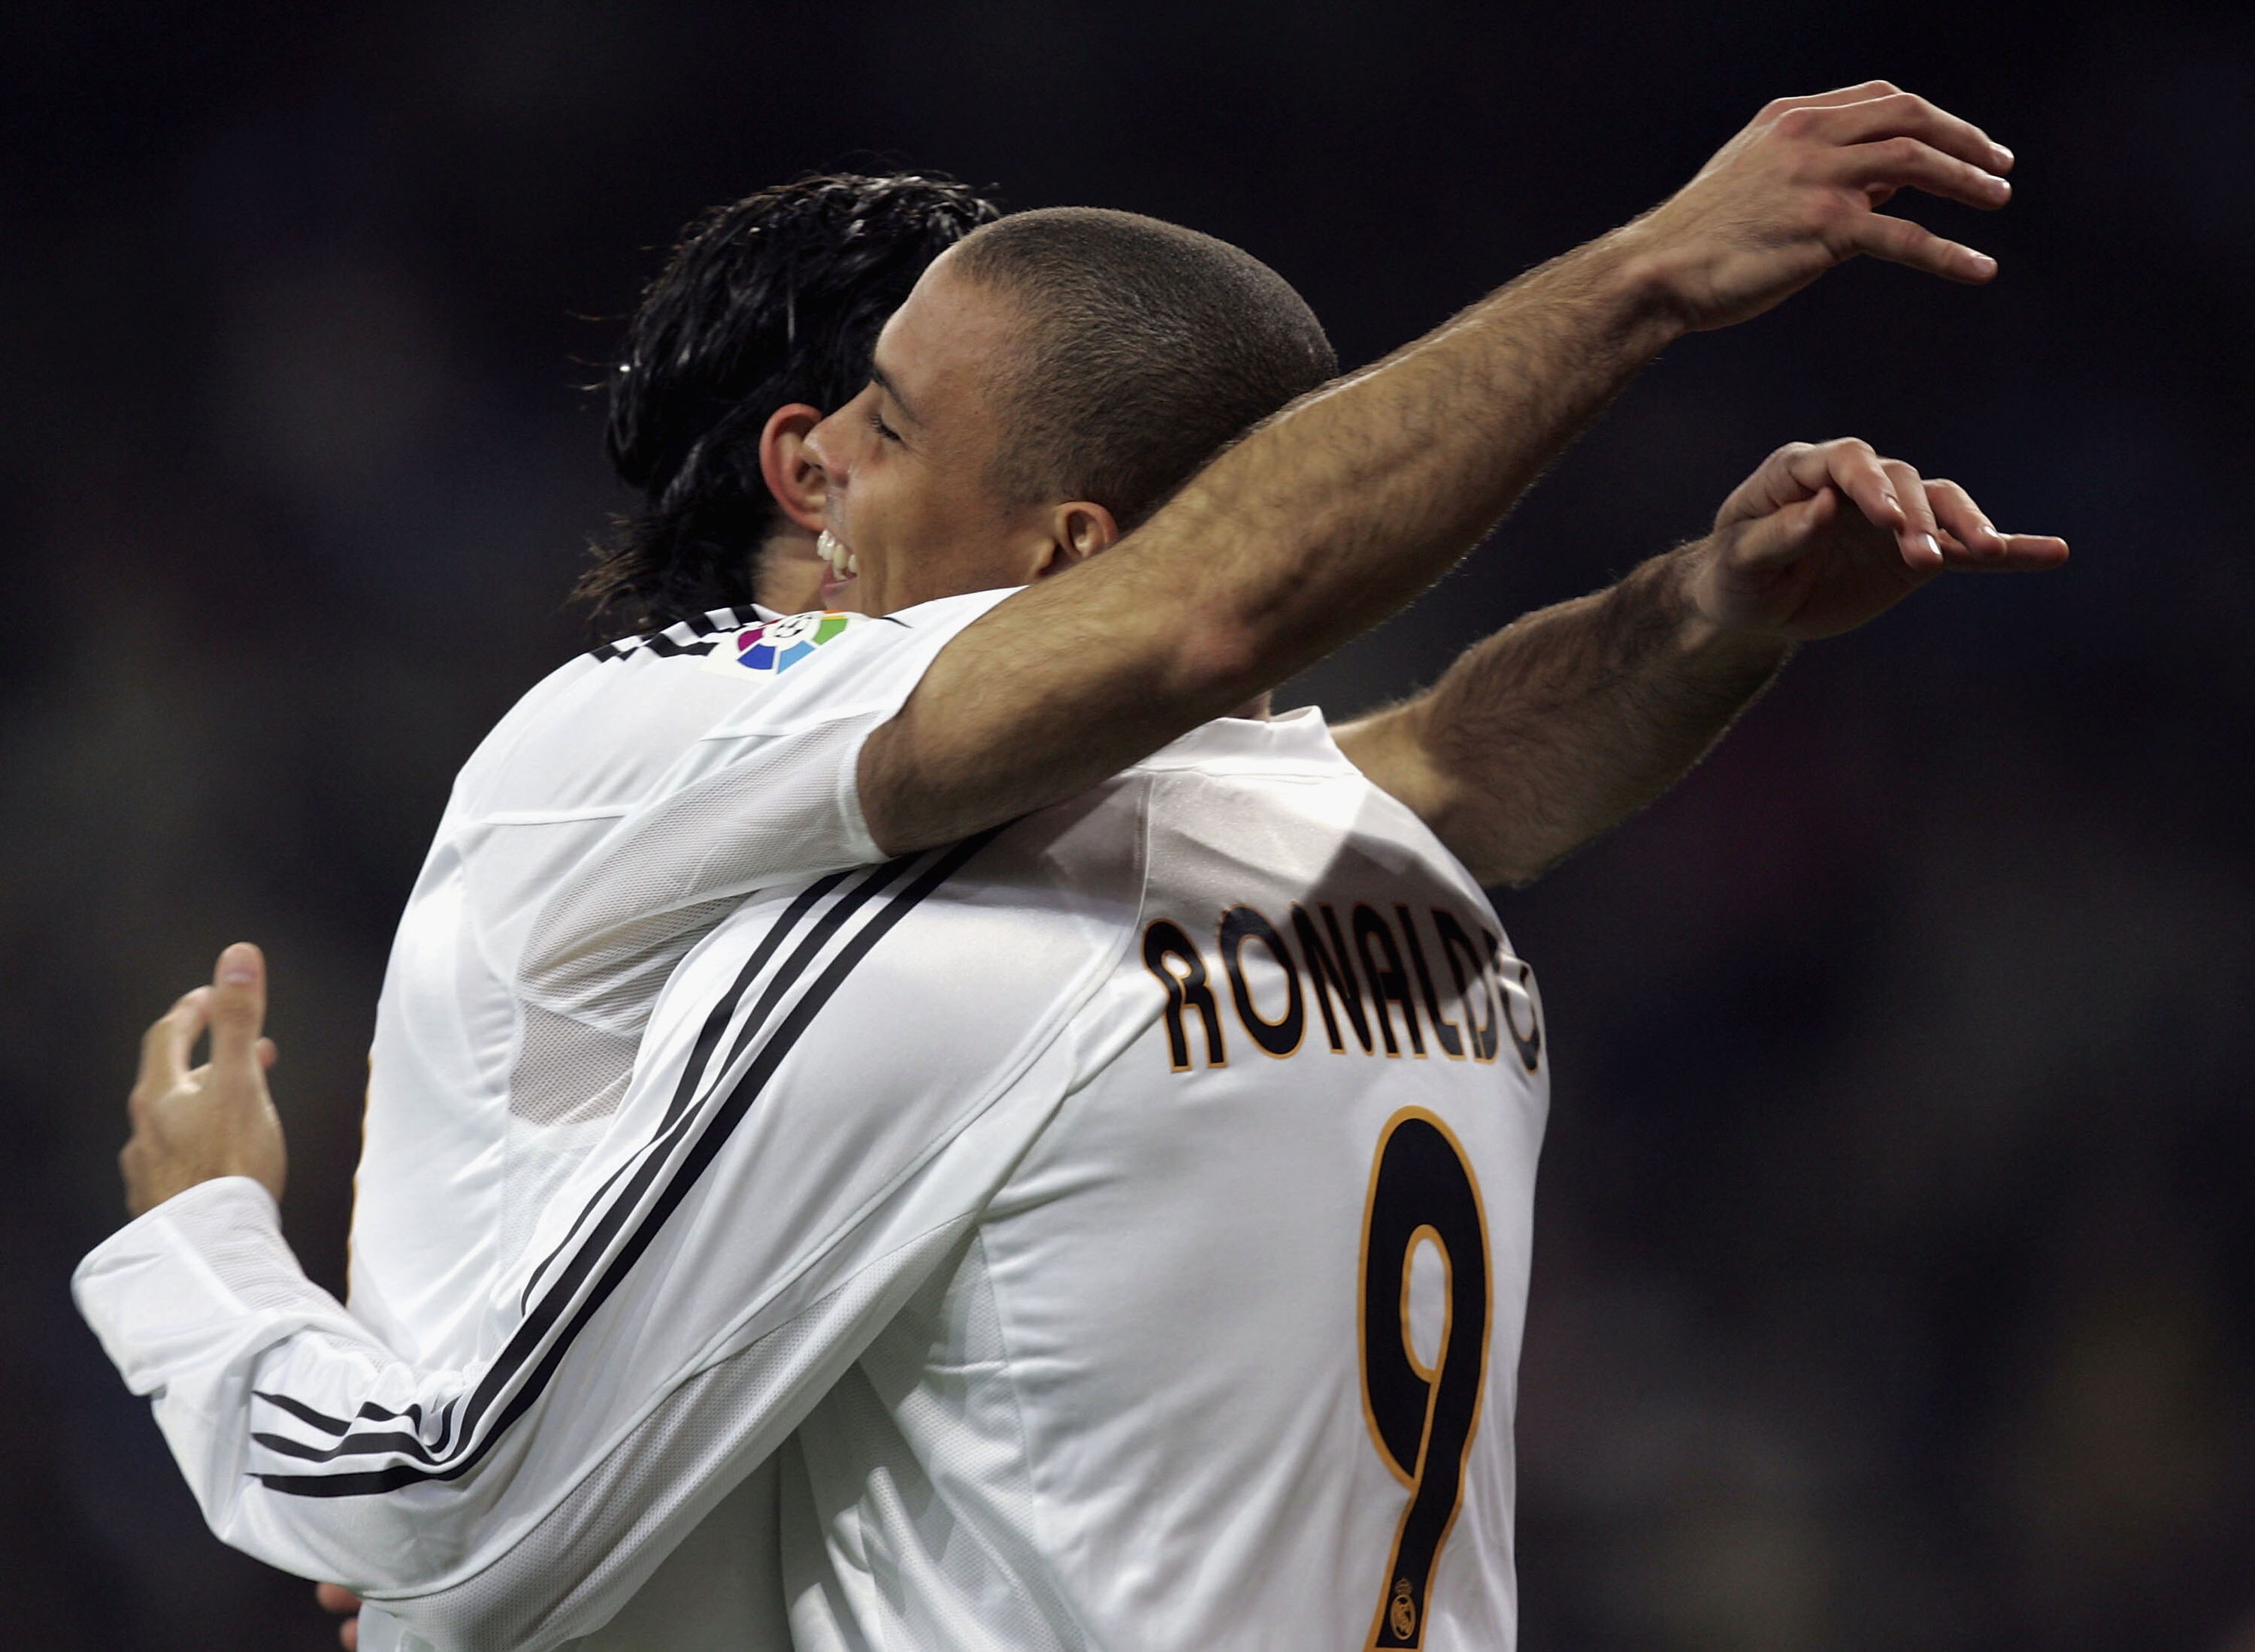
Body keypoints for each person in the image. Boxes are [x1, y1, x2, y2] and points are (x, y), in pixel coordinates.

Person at [80, 84, 2066, 1652]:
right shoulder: (1374, 882)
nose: (844, 473)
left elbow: (460, 1509)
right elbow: (1419, 747)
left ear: (1069, 541)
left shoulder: (939, 906)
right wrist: (1699, 547)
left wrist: (210, 1249)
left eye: (897, 424)